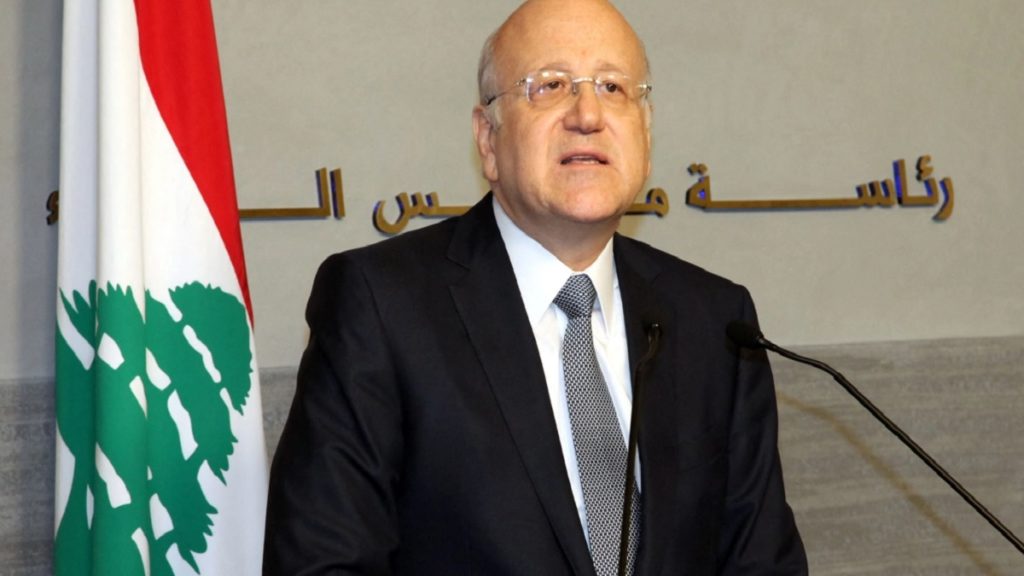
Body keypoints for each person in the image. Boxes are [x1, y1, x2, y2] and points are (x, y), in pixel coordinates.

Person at [263, 0, 807, 574]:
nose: (588, 114)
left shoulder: (715, 320)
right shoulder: (379, 305)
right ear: (487, 139)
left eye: (613, 88)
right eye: (549, 86)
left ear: (645, 132)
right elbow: (323, 564)